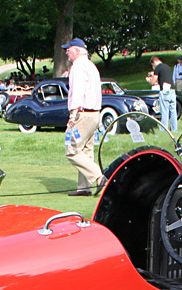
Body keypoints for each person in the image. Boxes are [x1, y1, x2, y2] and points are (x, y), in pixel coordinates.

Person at [62, 38, 104, 196]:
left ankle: (99, 177)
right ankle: (84, 188)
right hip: (94, 113)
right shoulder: (91, 66)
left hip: (83, 113)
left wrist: (73, 113)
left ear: (78, 51)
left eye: (69, 49)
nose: (67, 52)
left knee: (72, 150)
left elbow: (78, 91)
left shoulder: (78, 66)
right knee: (86, 150)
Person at [150, 55, 177, 132]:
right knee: (173, 110)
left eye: (152, 65)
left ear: (154, 62)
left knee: (164, 110)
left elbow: (154, 81)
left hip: (164, 91)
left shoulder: (158, 68)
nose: (153, 66)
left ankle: (163, 129)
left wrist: (149, 80)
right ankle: (174, 129)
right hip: (172, 90)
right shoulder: (167, 67)